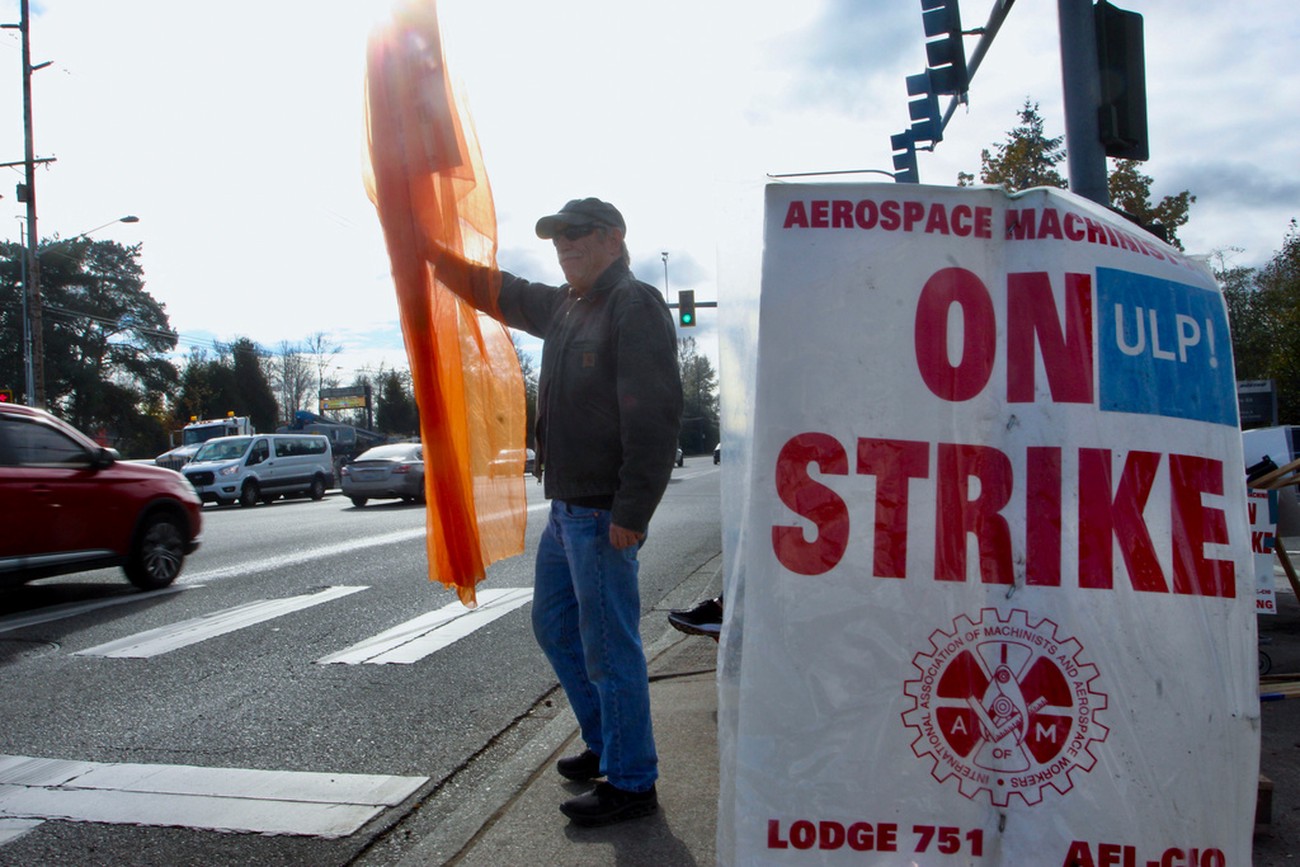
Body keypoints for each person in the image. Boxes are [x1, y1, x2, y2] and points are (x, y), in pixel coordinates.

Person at [427, 198, 683, 826]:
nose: (565, 245)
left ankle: (631, 781)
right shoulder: (568, 306)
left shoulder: (633, 303)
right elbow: (504, 291)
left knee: (608, 649)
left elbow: (655, 416)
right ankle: (606, 743)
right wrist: (434, 259)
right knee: (555, 627)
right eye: (558, 238)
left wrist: (633, 509)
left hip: (602, 515)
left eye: (579, 235)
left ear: (614, 238)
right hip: (565, 509)